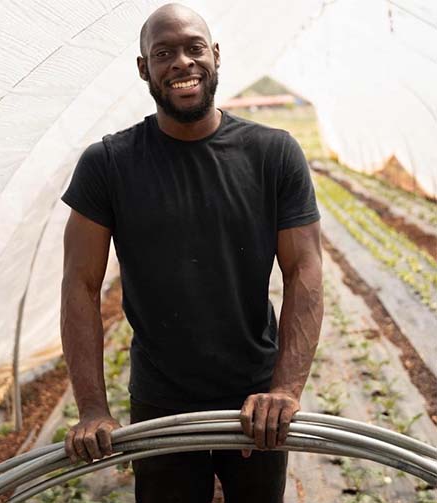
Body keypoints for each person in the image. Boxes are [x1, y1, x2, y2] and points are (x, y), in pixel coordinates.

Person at [60, 3, 323, 502]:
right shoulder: (108, 164)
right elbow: (81, 285)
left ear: (215, 56)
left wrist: (284, 391)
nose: (181, 62)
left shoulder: (273, 153)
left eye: (193, 48)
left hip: (254, 398)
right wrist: (92, 408)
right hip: (161, 400)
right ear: (144, 69)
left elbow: (304, 270)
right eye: (163, 53)